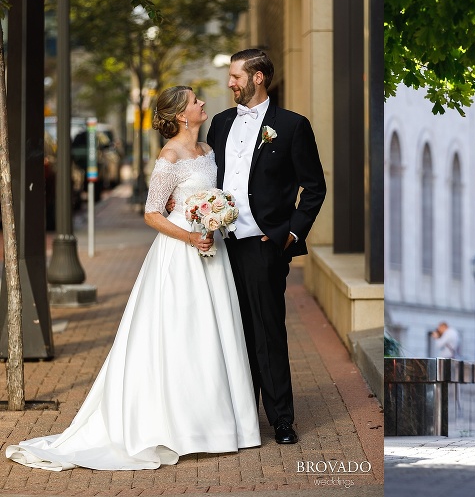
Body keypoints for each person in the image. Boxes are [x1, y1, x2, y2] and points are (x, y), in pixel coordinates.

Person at [6, 86, 261, 471]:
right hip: (181, 253)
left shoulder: (208, 152)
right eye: (195, 101)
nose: (202, 104)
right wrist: (192, 234)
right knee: (183, 334)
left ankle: (221, 424)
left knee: (217, 331)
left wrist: (215, 216)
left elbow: (211, 196)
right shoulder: (169, 156)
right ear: (181, 115)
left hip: (213, 252)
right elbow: (152, 214)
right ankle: (182, 427)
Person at [206, 49, 326, 445]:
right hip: (222, 247)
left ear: (258, 78)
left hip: (263, 246)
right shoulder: (221, 124)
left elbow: (314, 187)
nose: (230, 83)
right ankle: (241, 418)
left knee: (268, 332)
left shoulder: (292, 126)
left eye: (236, 76)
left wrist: (290, 234)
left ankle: (281, 420)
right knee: (231, 333)